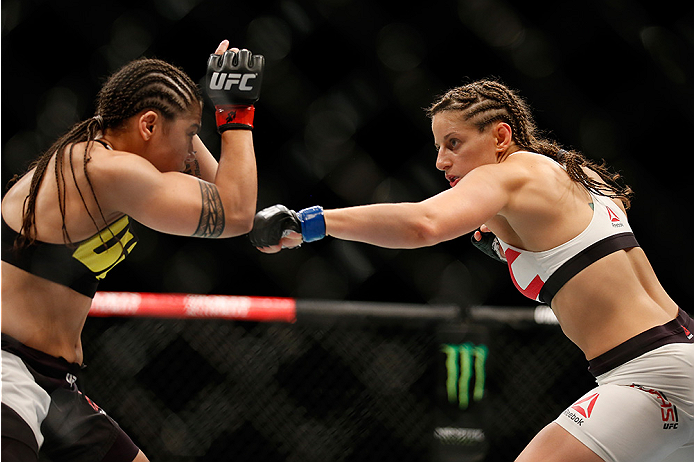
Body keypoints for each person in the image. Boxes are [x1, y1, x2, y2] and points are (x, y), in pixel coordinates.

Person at [249, 79, 694, 461]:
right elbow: (584, 257)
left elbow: (424, 224)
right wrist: (508, 248)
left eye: (454, 144)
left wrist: (312, 223)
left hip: (649, 373)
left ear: (501, 137)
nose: (442, 161)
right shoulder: (576, 179)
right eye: (438, 147)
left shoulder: (509, 174)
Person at [1, 40, 264, 461]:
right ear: (148, 125)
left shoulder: (113, 164)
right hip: (7, 369)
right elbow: (235, 213)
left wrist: (198, 110)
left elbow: (234, 208)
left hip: (53, 383)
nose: (189, 154)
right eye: (191, 136)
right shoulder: (102, 169)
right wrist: (236, 117)